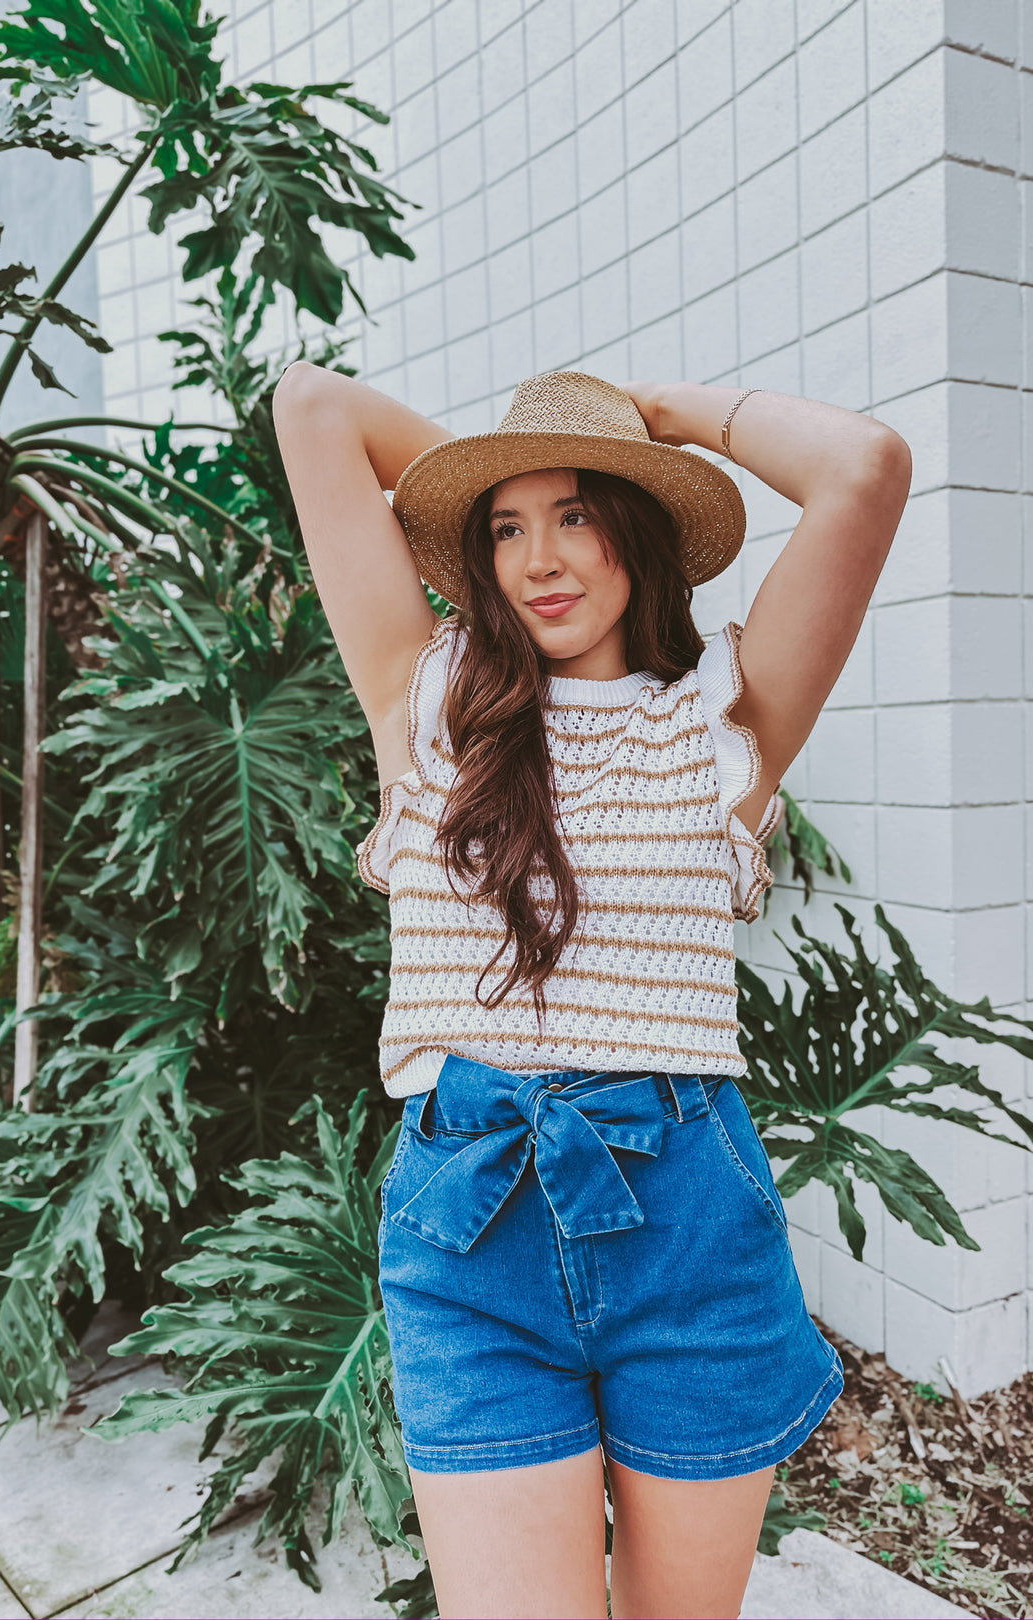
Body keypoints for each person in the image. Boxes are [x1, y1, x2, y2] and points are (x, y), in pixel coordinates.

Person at [273, 366, 912, 1620]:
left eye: (577, 514)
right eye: (505, 528)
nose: (536, 559)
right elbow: (313, 410)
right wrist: (513, 461)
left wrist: (655, 416)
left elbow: (863, 470)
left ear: (643, 530)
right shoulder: (429, 699)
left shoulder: (725, 717)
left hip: (685, 1228)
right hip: (473, 1232)